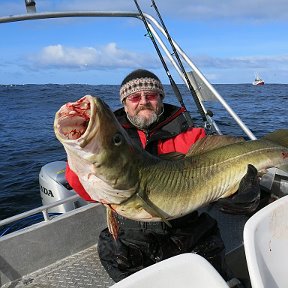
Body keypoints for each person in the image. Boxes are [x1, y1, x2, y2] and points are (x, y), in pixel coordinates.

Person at [65, 69, 230, 282]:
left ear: (161, 100)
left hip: (187, 231)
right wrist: (81, 153)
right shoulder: (111, 140)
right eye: (134, 97)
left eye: (151, 95)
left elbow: (220, 178)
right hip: (132, 238)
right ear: (125, 103)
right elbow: (88, 191)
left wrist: (244, 195)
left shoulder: (192, 136)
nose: (143, 101)